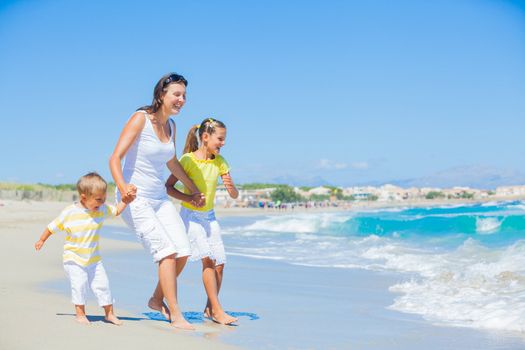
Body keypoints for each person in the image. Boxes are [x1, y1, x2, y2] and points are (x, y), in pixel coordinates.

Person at [109, 73, 204, 330]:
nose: (181, 100)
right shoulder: (140, 119)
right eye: (176, 94)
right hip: (135, 199)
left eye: (184, 96)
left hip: (160, 199)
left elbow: (171, 162)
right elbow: (115, 158)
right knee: (167, 252)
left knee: (183, 251)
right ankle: (176, 314)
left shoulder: (171, 126)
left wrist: (193, 189)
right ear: (161, 94)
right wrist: (123, 188)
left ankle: (156, 298)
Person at [34, 172, 136, 325]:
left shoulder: (101, 210)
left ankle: (109, 314)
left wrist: (126, 201)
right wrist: (41, 240)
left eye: (104, 198)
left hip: (94, 259)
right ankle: (80, 313)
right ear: (83, 197)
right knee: (79, 284)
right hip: (73, 258)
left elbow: (116, 210)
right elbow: (52, 227)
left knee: (103, 285)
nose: (102, 202)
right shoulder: (70, 213)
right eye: (98, 199)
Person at [165, 117, 238, 325]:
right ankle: (218, 309)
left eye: (224, 139)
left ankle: (209, 308)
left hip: (209, 216)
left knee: (220, 262)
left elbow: (233, 195)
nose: (223, 143)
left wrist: (231, 187)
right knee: (208, 259)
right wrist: (189, 198)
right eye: (220, 139)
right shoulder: (188, 160)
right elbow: (168, 187)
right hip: (190, 216)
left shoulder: (221, 162)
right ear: (205, 137)